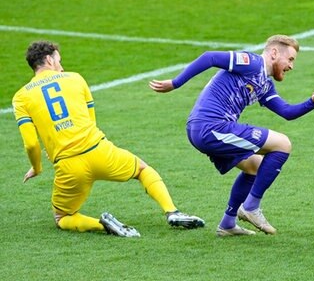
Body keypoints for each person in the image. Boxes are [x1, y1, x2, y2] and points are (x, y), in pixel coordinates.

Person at [13, 41, 205, 237]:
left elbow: (31, 143)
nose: (61, 67)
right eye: (59, 61)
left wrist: (37, 168)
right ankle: (172, 212)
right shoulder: (75, 78)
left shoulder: (21, 97)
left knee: (62, 217)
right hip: (99, 150)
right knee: (142, 170)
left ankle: (103, 225)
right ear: (48, 59)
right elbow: (90, 121)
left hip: (69, 166)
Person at [149, 35, 314, 237]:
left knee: (254, 167)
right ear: (275, 53)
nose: (291, 66)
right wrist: (175, 83)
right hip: (210, 127)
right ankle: (251, 207)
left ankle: (228, 224)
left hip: (205, 130)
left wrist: (311, 102)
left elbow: (286, 112)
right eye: (291, 59)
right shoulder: (252, 63)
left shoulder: (265, 84)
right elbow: (210, 57)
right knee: (283, 144)